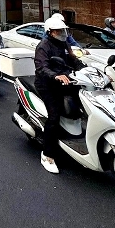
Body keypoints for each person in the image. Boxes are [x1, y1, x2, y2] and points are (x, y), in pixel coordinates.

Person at [35, 15, 85, 175]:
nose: (62, 33)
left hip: (67, 81)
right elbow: (42, 68)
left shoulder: (64, 44)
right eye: (59, 31)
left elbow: (74, 60)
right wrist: (55, 76)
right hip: (48, 85)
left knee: (84, 105)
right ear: (50, 32)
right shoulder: (43, 46)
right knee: (54, 117)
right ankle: (47, 155)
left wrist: (87, 70)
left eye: (63, 30)